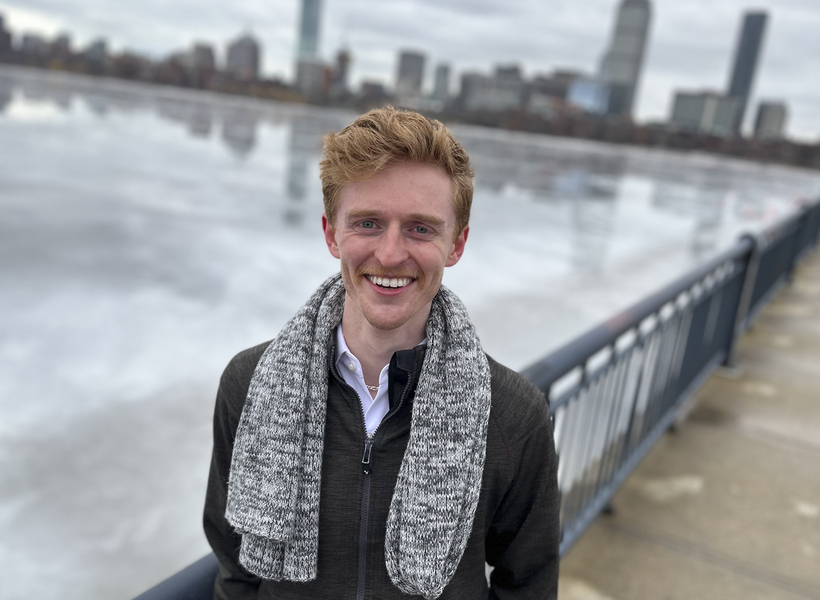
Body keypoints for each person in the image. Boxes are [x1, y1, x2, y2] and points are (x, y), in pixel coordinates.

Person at [203, 107, 560, 600]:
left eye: (420, 228)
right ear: (331, 234)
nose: (390, 254)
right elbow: (234, 565)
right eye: (368, 224)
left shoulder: (515, 415)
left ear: (456, 244)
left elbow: (528, 586)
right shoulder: (247, 384)